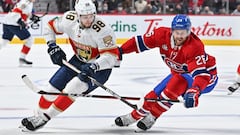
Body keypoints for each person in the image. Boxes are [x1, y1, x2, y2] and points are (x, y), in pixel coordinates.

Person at [19, 0, 121, 131]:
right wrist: (52, 46)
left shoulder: (103, 30)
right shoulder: (69, 19)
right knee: (51, 90)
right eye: (85, 17)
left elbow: (111, 57)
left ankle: (45, 118)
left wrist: (94, 67)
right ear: (78, 15)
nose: (89, 20)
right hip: (77, 61)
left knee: (75, 87)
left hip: (100, 68)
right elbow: (49, 27)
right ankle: (37, 116)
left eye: (91, 16)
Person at [114, 14, 218, 131]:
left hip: (207, 77)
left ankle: (152, 116)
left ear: (189, 31)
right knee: (152, 95)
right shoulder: (161, 35)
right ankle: (133, 116)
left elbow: (200, 75)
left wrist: (195, 90)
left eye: (183, 33)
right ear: (172, 30)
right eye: (177, 32)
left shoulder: (194, 46)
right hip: (180, 73)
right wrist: (121, 50)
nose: (179, 36)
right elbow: (140, 42)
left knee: (173, 87)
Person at [0, 0, 40, 66]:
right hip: (13, 23)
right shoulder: (25, 2)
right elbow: (16, 12)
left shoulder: (28, 3)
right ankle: (22, 58)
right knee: (29, 39)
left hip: (7, 22)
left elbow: (25, 13)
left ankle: (22, 59)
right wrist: (20, 22)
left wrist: (33, 17)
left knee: (5, 41)